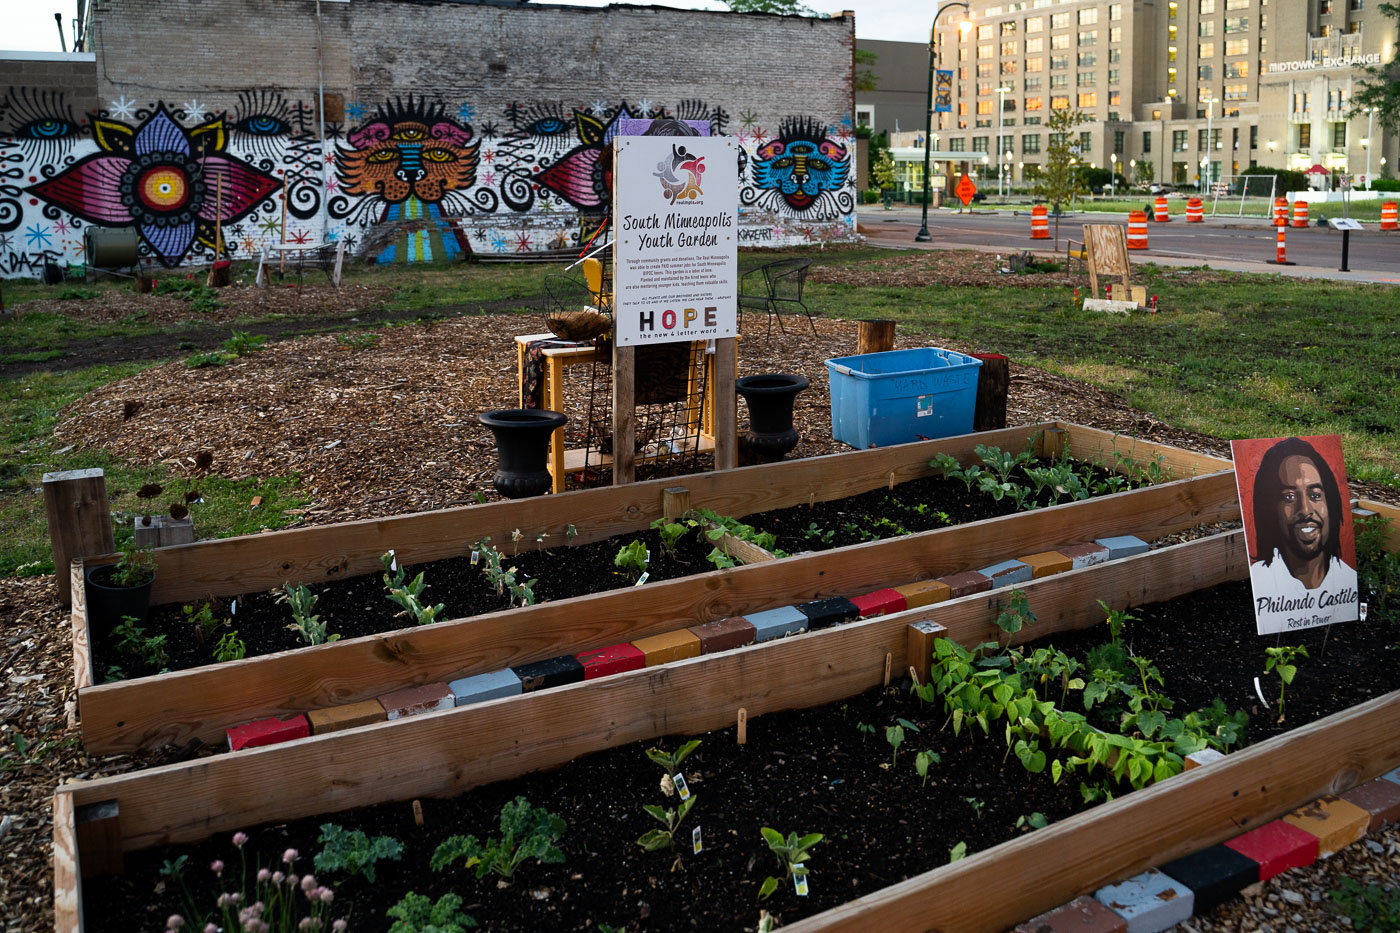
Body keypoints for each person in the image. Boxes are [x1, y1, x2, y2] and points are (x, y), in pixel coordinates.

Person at [1246, 437, 1357, 629]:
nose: (1305, 510)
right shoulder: (1261, 583)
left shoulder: (1347, 581)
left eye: (1315, 496)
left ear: (1330, 505)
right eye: (1289, 497)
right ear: (1271, 509)